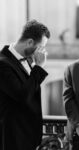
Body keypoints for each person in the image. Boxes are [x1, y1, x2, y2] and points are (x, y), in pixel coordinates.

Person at [0, 20, 50, 150]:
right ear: (30, 42)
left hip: (28, 136)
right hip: (13, 137)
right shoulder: (3, 63)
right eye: (41, 47)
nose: (42, 51)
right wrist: (38, 67)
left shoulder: (27, 60)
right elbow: (22, 96)